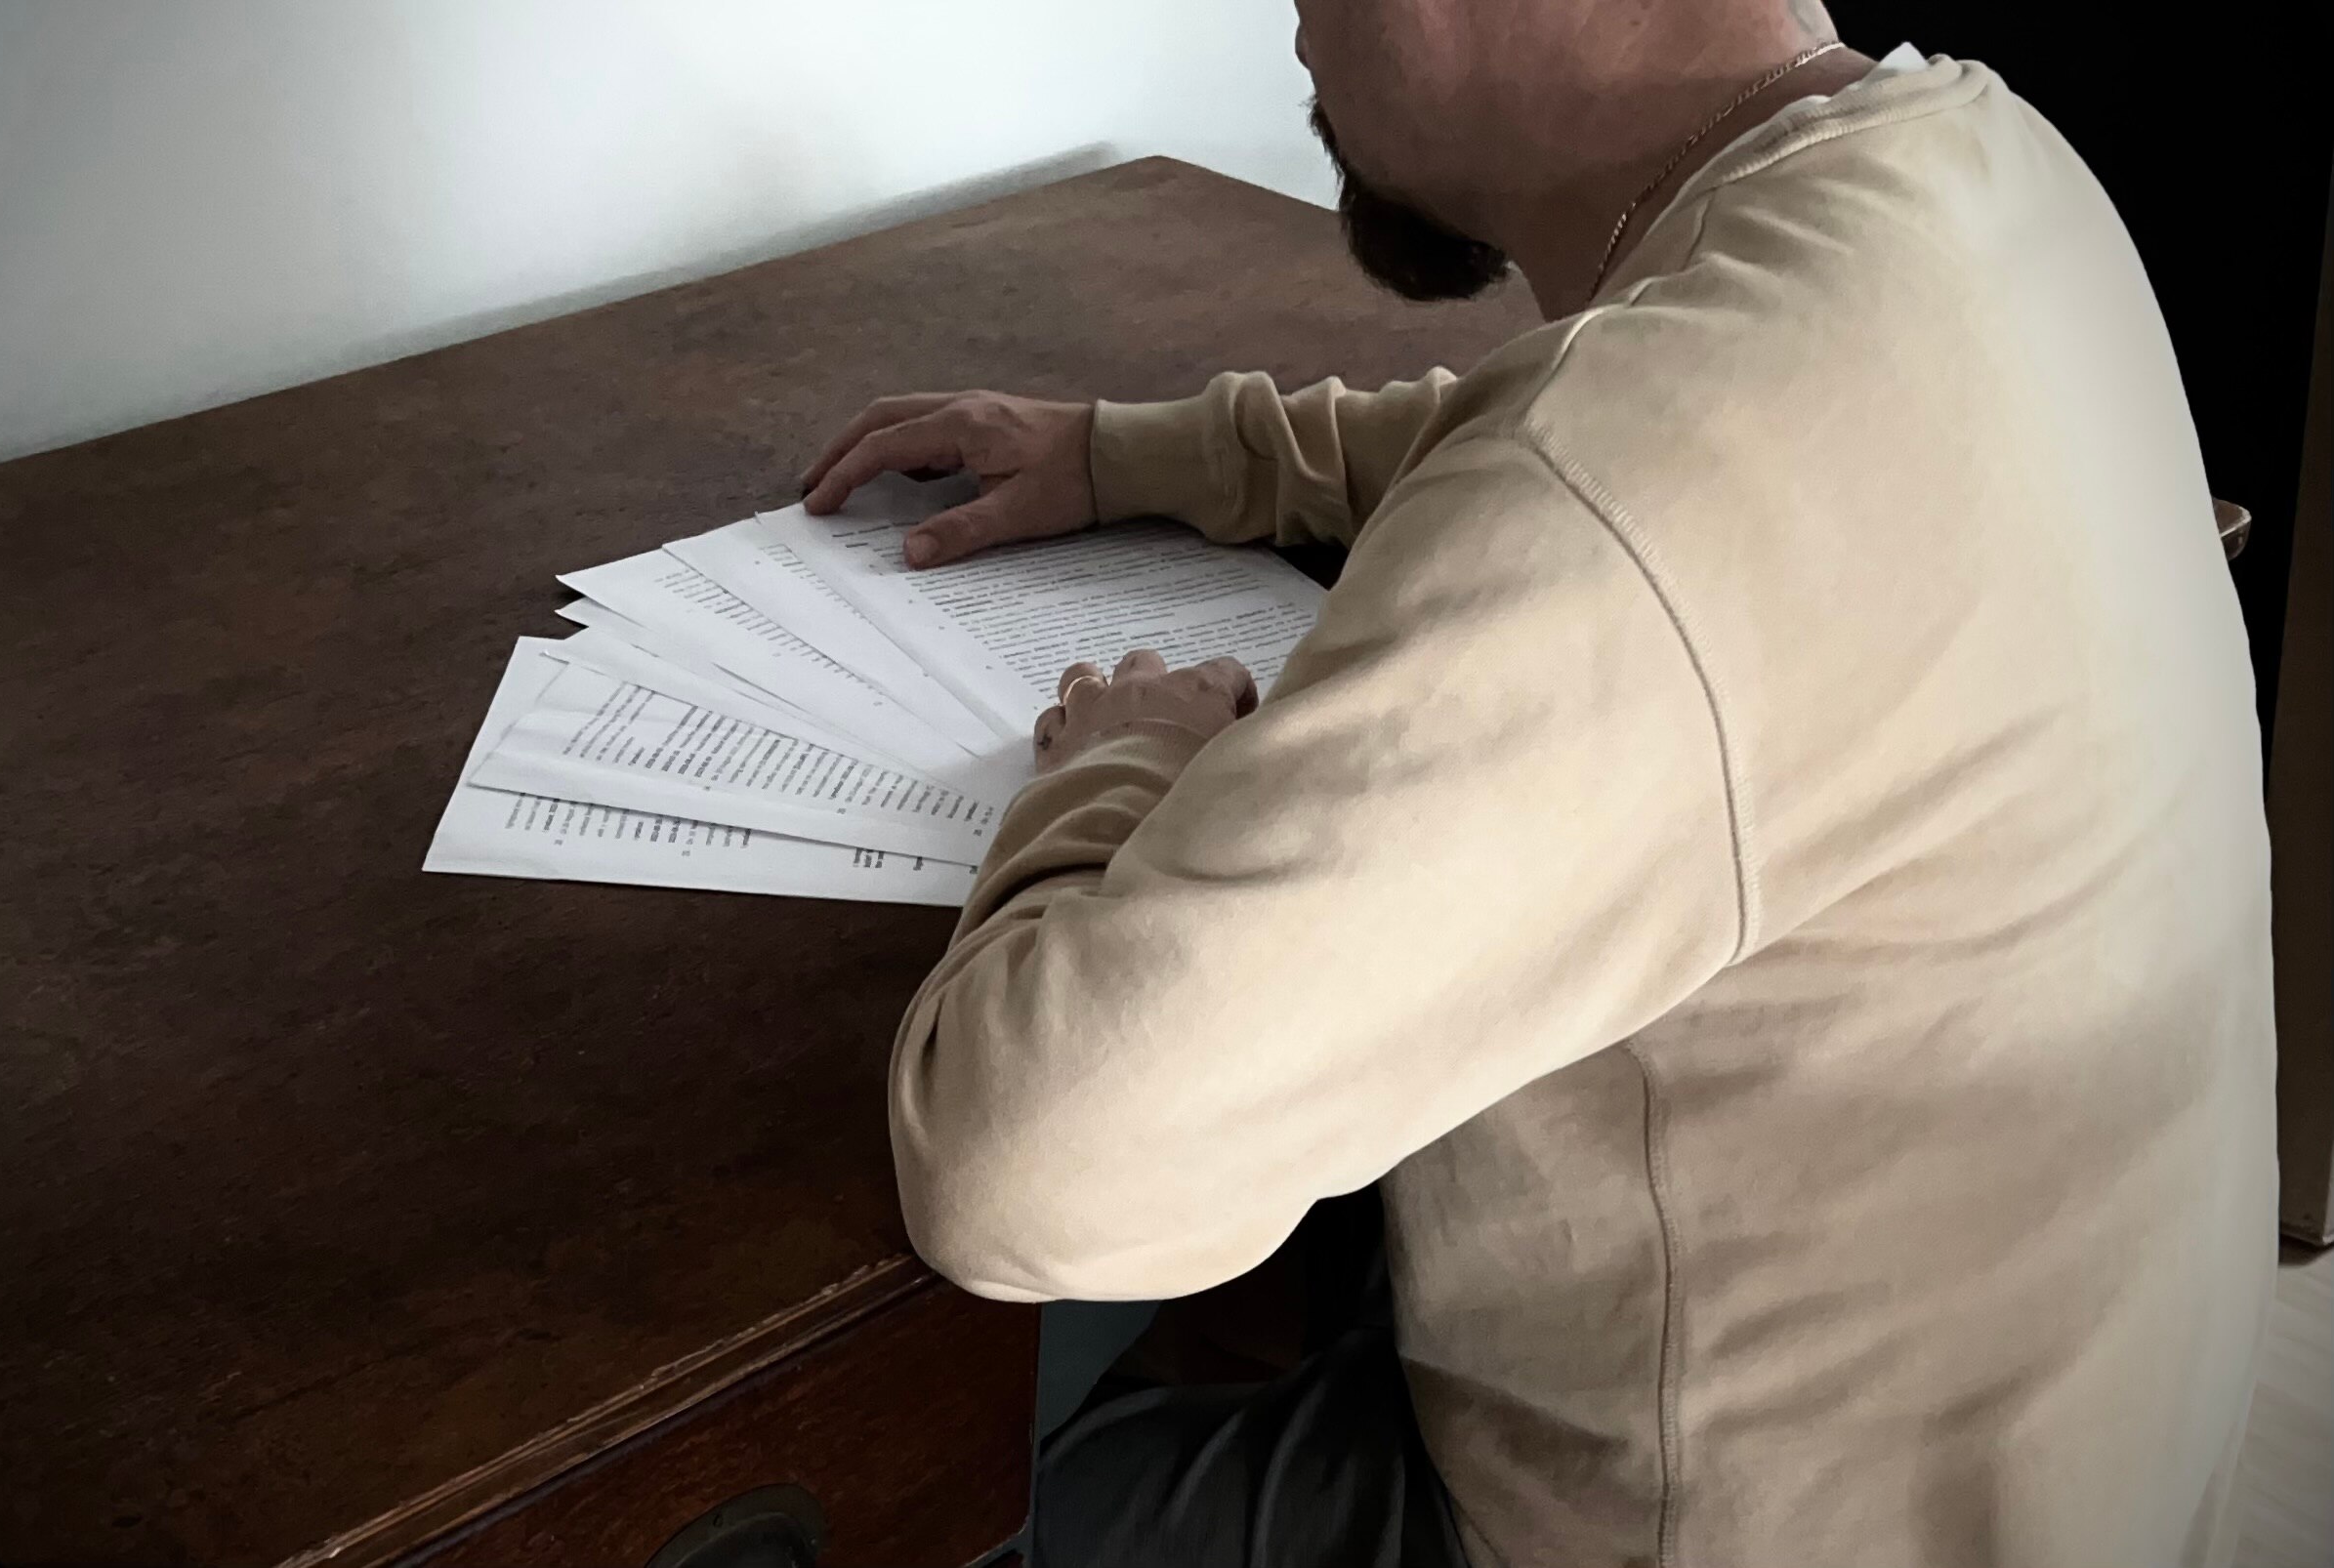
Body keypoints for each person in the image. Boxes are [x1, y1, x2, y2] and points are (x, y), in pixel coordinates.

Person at [796, 1, 2279, 1564]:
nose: (1288, 16)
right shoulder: (1984, 171)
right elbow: (1560, 450)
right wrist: (1149, 453)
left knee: (885, 1498)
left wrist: (1124, 762)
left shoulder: (1655, 459)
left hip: (1681, 1526)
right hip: (2026, 1479)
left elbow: (1022, 1162)